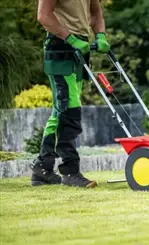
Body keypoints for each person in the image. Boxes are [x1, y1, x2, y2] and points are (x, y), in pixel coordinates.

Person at [31, 0, 110, 188]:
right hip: (60, 47)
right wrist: (70, 38)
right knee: (69, 110)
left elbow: (96, 12)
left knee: (60, 111)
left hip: (80, 49)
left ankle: (43, 168)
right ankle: (70, 171)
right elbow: (44, 16)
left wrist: (100, 35)